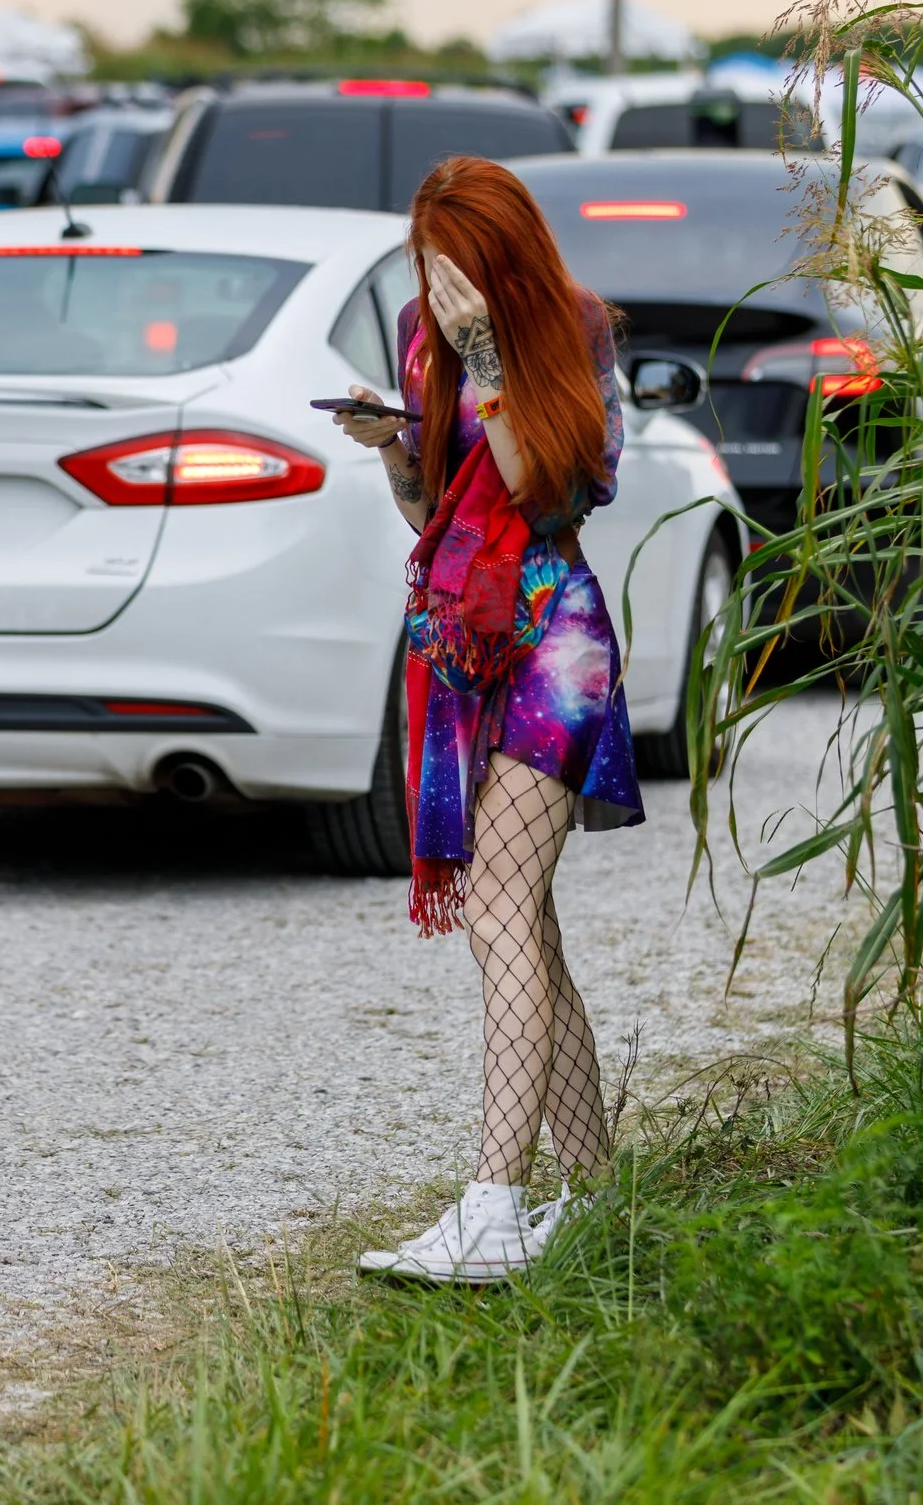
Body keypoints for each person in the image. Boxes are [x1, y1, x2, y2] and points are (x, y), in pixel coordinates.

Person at [329, 157, 644, 1285]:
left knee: (500, 909)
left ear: (505, 254)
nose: (442, 287)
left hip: (554, 638)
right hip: (462, 638)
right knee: (534, 934)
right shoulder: (423, 329)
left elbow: (547, 492)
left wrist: (483, 359)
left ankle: (491, 1205)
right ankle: (597, 1195)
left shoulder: (574, 327)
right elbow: (434, 508)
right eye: (428, 265)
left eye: (459, 265)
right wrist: (393, 450)